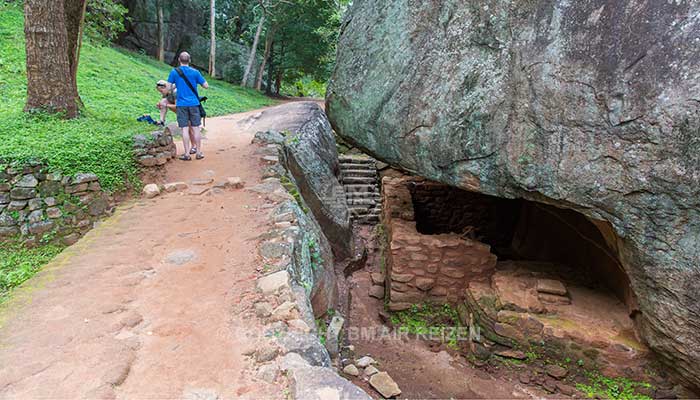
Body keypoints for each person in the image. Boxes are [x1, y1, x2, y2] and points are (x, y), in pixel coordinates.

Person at [167, 52, 209, 160]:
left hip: (181, 104)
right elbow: (206, 86)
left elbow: (168, 88)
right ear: (189, 60)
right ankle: (199, 153)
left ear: (179, 60)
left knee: (184, 129)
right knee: (196, 128)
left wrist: (177, 85)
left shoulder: (174, 72)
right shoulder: (195, 72)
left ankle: (186, 154)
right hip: (194, 103)